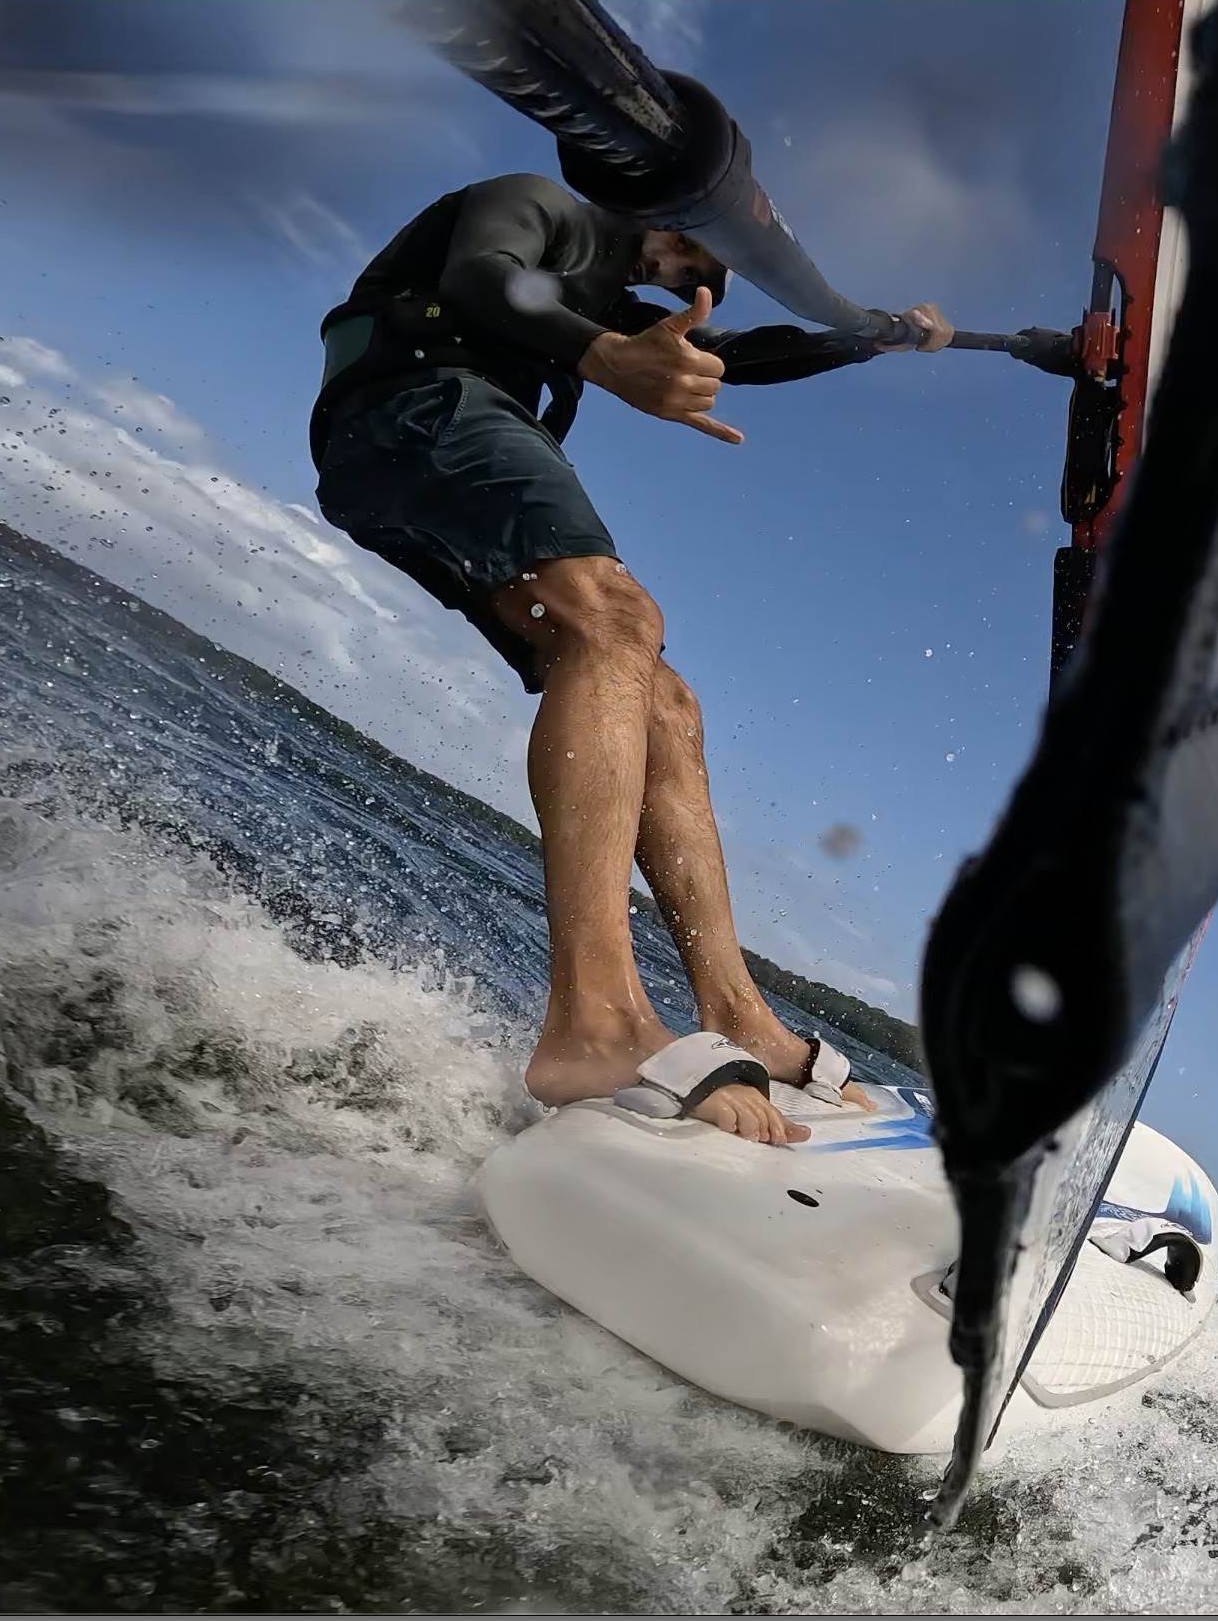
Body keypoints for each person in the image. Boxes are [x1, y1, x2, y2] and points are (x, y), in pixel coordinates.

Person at [309, 173, 953, 1145]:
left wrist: (878, 336)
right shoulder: (537, 204)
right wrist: (605, 356)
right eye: (703, 260)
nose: (701, 287)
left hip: (423, 448)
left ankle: (738, 1013)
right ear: (674, 215)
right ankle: (595, 1020)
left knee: (664, 699)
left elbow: (739, 356)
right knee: (616, 617)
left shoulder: (606, 297)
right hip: (412, 406)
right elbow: (482, 275)